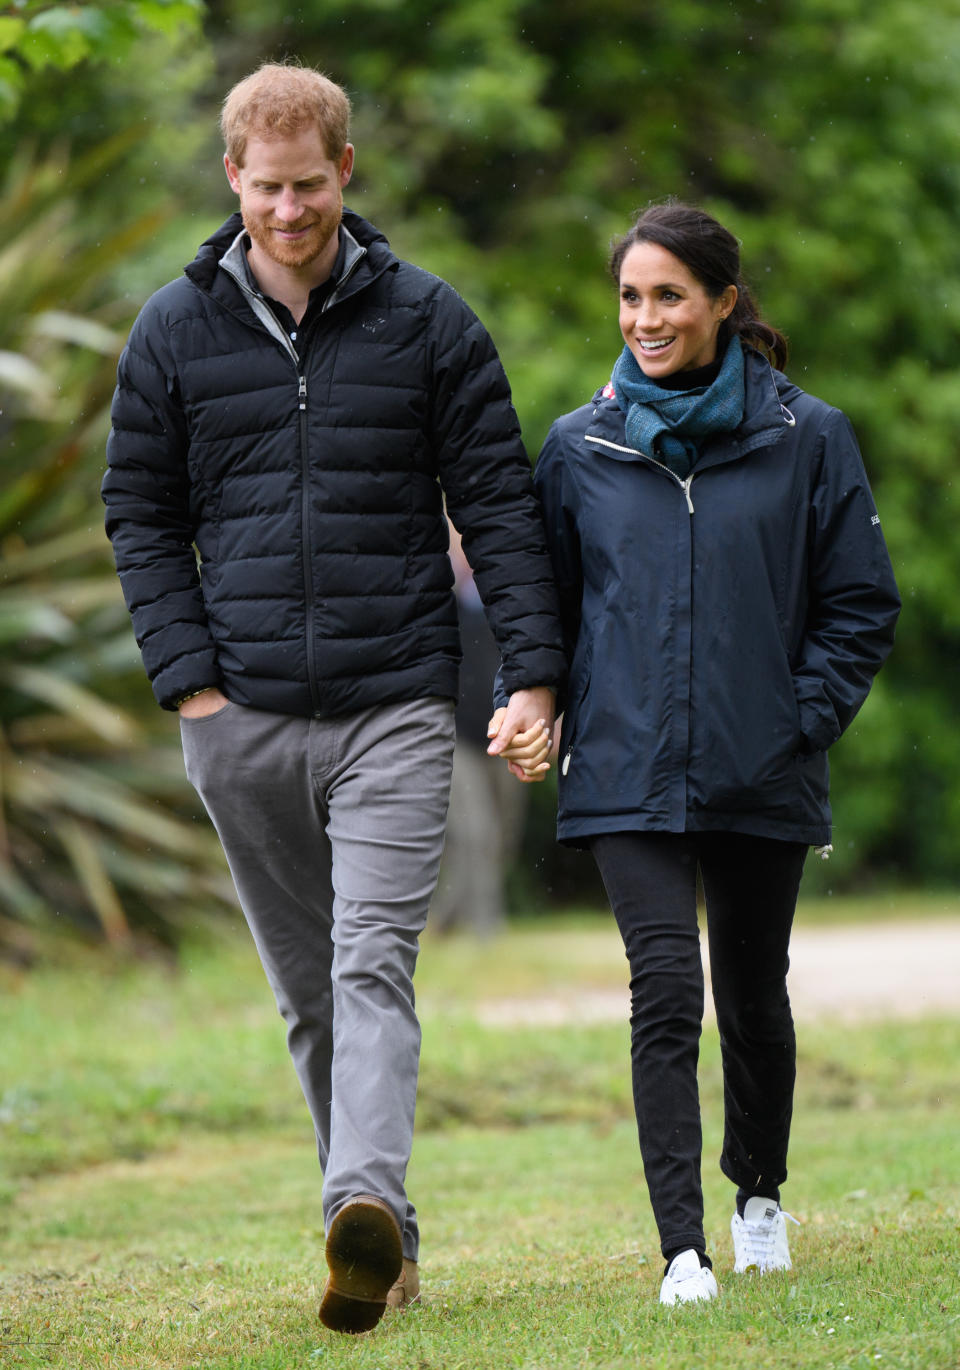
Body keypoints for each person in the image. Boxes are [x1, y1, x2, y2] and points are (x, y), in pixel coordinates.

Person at [102, 62, 563, 1335]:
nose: (289, 211)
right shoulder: (173, 331)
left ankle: (355, 1195)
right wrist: (188, 682)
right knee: (310, 991)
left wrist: (531, 672)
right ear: (232, 181)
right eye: (267, 189)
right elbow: (138, 513)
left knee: (371, 965)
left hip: (395, 706)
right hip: (237, 715)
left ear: (346, 173)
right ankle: (387, 1243)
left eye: (310, 186)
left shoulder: (430, 323)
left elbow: (502, 510)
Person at [492, 201, 900, 1305]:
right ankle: (682, 1245)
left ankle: (757, 1190)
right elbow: (543, 609)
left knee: (752, 997)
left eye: (668, 294)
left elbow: (860, 603)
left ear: (723, 301)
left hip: (761, 764)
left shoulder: (808, 436)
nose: (645, 317)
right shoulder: (580, 446)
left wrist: (795, 719)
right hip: (625, 769)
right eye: (630, 296)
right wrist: (526, 699)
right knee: (665, 992)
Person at [430, 521, 529, 938]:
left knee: (502, 835)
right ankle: (485, 931)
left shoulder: (504, 599)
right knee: (475, 832)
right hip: (455, 736)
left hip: (504, 732)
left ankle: (444, 921)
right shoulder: (438, 600)